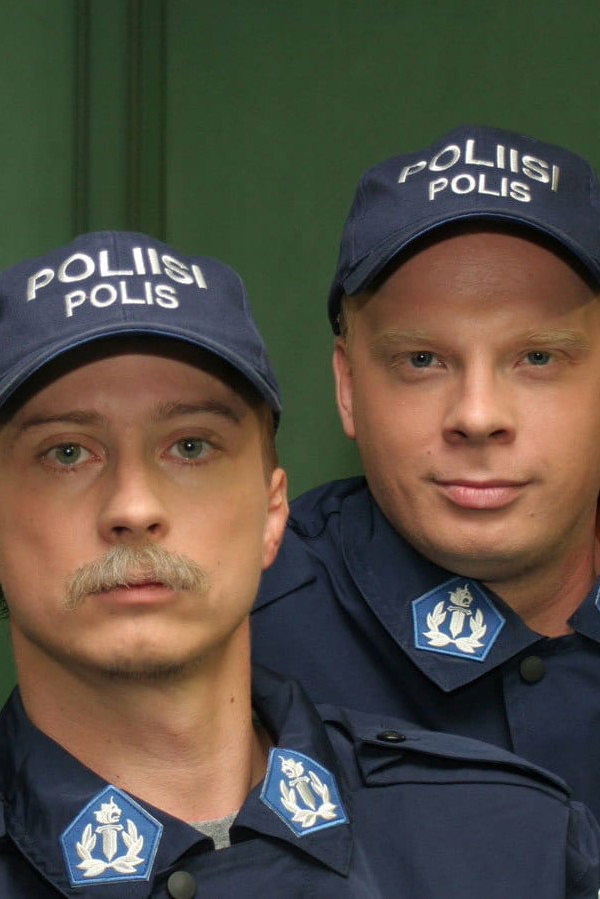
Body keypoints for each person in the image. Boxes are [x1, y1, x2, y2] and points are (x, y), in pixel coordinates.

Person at [0, 231, 597, 897]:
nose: (134, 507)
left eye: (191, 446)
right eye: (66, 453)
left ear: (273, 512)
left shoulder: (513, 842)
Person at [252, 124, 600, 827]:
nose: (477, 415)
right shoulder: (233, 634)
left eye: (538, 358)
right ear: (348, 386)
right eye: (421, 361)